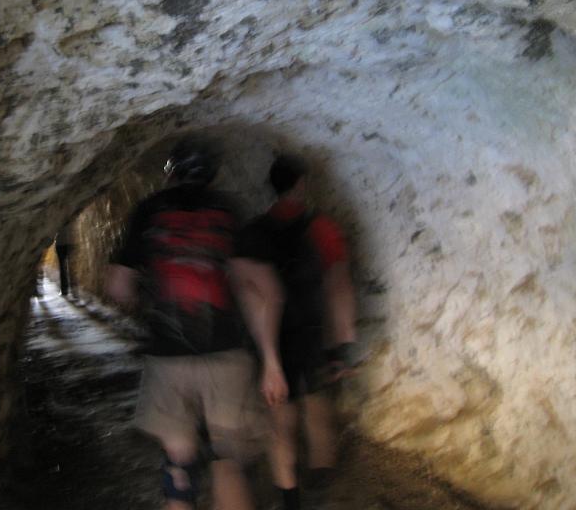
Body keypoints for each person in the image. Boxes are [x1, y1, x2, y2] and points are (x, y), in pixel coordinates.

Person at [106, 138, 287, 510]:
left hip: (167, 357)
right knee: (228, 463)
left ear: (170, 172)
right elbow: (256, 292)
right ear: (213, 173)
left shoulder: (148, 211)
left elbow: (117, 287)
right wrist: (271, 362)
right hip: (226, 355)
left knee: (179, 462)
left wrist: (146, 299)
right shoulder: (229, 212)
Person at [241, 154, 359, 510]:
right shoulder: (321, 228)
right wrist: (342, 347)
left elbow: (246, 288)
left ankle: (288, 494)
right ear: (301, 184)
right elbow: (339, 286)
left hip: (271, 337)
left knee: (280, 417)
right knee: (317, 408)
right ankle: (322, 483)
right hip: (311, 333)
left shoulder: (254, 232)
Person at [54, 220, 77, 299]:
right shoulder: (71, 213)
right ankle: (74, 291)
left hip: (61, 243)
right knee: (72, 267)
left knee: (63, 268)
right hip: (70, 242)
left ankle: (64, 290)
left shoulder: (57, 216)